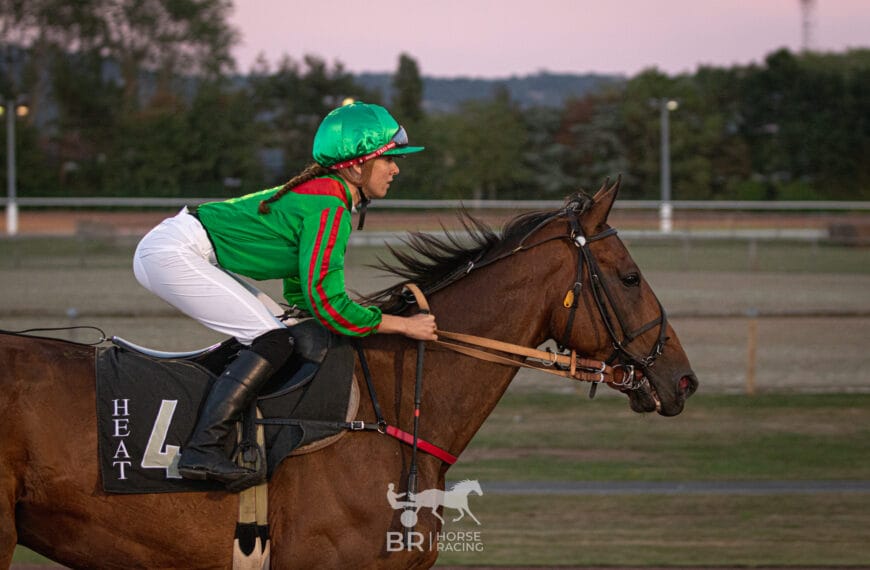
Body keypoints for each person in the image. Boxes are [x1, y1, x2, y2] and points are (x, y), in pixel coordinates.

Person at [132, 101, 438, 486]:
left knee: (281, 330)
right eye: (388, 159)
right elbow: (328, 304)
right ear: (356, 166)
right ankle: (202, 451)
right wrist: (402, 327)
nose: (396, 168)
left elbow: (305, 290)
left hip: (184, 248)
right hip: (173, 252)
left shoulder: (329, 197)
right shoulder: (328, 207)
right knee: (272, 339)